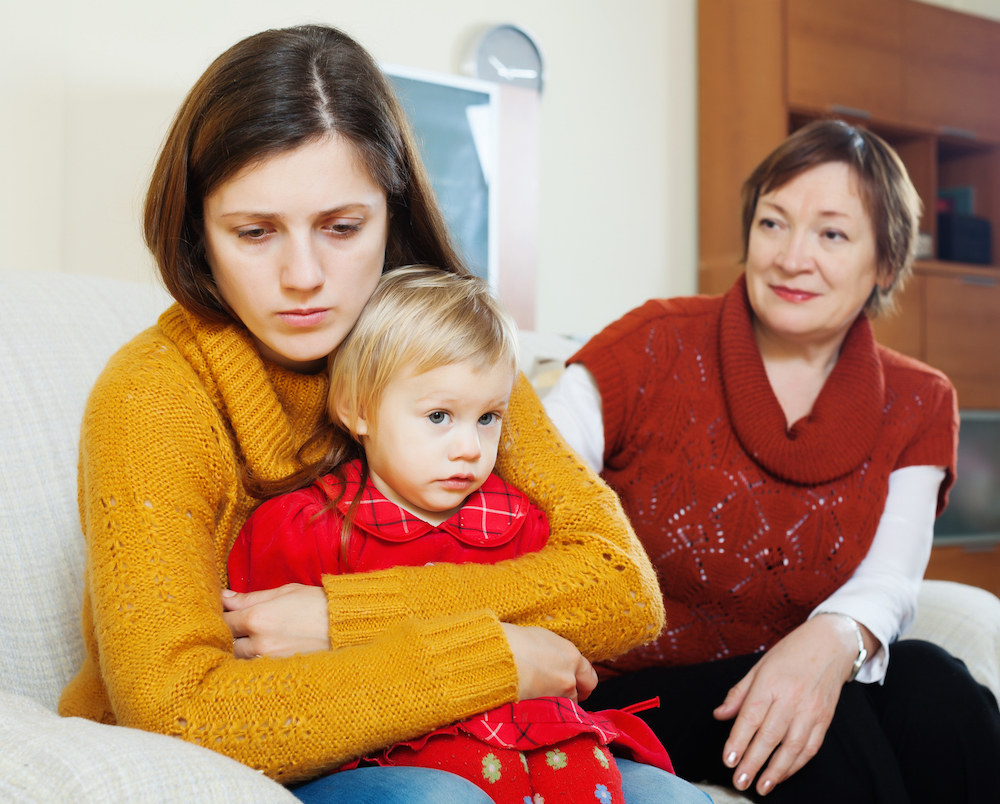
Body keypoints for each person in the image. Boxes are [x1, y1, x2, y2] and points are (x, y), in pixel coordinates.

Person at [56, 23, 708, 804]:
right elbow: (180, 711)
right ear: (198, 233)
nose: (304, 276)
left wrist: (345, 617)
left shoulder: (444, 347)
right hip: (258, 768)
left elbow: (620, 589)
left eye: (342, 227)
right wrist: (492, 656)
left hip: (467, 739)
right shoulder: (151, 396)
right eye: (255, 232)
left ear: (393, 215)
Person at [544, 119, 1000, 803]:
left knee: (937, 686)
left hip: (792, 667)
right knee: (824, 724)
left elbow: (889, 581)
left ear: (884, 262)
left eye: (832, 234)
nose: (792, 258)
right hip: (627, 692)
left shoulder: (919, 400)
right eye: (773, 224)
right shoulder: (649, 345)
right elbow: (528, 491)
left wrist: (828, 642)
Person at [228, 267, 677, 804]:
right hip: (379, 753)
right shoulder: (301, 528)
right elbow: (257, 674)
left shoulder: (522, 524)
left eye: (488, 418)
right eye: (439, 415)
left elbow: (571, 657)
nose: (469, 446)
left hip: (529, 747)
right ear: (357, 410)